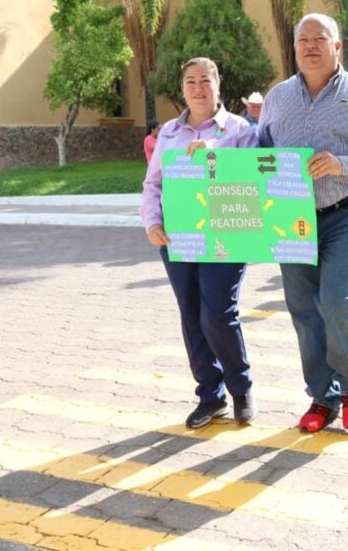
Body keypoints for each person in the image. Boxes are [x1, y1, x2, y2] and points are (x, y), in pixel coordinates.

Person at [258, 12, 348, 433]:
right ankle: (323, 397)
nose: (311, 46)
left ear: (337, 47)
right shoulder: (278, 98)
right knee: (303, 309)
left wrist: (344, 164)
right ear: (295, 47)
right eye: (303, 39)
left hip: (345, 210)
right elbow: (257, 150)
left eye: (321, 39)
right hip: (290, 215)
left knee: (338, 299)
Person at [140, 57, 260, 429]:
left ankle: (240, 389)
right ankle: (211, 395)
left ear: (218, 85)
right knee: (191, 314)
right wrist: (152, 221)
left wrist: (215, 151)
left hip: (226, 235)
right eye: (190, 81)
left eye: (205, 80)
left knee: (217, 314)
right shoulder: (170, 134)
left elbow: (257, 171)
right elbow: (153, 183)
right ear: (182, 89)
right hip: (179, 237)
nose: (197, 88)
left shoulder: (240, 129)